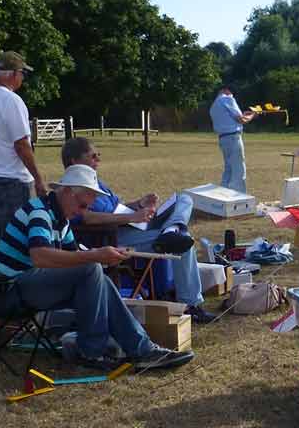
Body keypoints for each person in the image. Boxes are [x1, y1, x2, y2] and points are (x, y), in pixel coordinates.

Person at [0, 164, 194, 371]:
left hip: (26, 286)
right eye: (82, 205)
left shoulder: (60, 218)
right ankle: (92, 352)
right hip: (7, 291)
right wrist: (95, 256)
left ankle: (142, 350)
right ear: (67, 191)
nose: (81, 211)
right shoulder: (39, 213)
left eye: (86, 207)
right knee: (91, 269)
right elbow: (41, 256)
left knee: (99, 278)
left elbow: (74, 257)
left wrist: (106, 257)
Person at [59, 137, 218, 324]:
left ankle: (171, 230)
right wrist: (132, 217)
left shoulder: (96, 182)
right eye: (92, 156)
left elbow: (116, 208)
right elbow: (87, 217)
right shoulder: (72, 189)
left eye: (98, 155)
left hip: (130, 227)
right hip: (109, 238)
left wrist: (138, 204)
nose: (98, 160)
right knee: (183, 242)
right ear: (74, 161)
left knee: (184, 199)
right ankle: (191, 304)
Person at [0, 50, 46, 257]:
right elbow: (21, 144)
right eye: (23, 73)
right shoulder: (12, 101)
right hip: (13, 183)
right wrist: (38, 179)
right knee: (17, 243)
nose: (23, 78)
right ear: (14, 74)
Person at [209, 86, 255, 193]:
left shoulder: (214, 105)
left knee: (228, 170)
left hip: (223, 139)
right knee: (238, 170)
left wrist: (244, 115)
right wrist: (253, 115)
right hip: (233, 138)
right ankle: (239, 197)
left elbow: (232, 118)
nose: (232, 95)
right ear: (226, 90)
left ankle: (223, 195)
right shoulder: (227, 98)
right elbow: (241, 119)